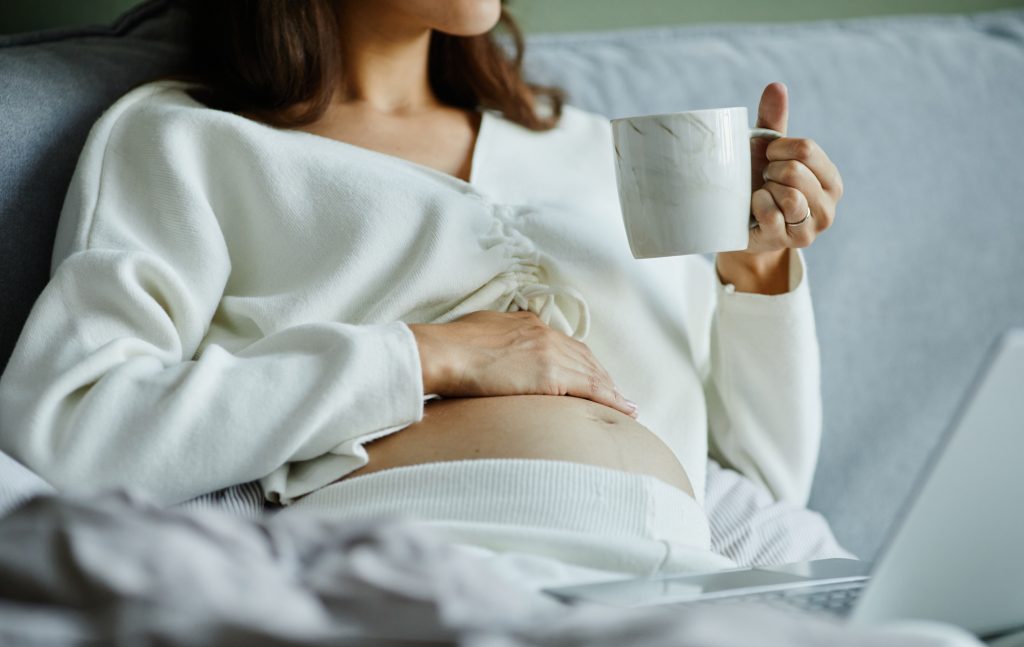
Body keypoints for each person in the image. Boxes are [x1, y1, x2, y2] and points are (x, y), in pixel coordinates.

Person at [0, 0, 849, 581]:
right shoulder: (191, 142)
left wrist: (757, 269)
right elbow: (74, 426)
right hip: (423, 565)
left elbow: (764, 489)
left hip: (686, 575)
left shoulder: (603, 158)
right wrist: (431, 354)